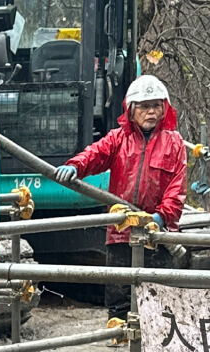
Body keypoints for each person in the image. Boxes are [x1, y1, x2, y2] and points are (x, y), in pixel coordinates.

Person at [54, 75, 188, 324]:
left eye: (156, 106)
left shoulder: (174, 144)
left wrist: (161, 217)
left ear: (164, 109)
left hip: (156, 233)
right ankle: (120, 343)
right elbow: (95, 154)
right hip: (120, 231)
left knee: (160, 296)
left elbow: (176, 189)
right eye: (144, 106)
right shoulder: (118, 139)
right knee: (119, 296)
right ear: (131, 110)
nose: (150, 112)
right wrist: (75, 166)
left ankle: (157, 348)